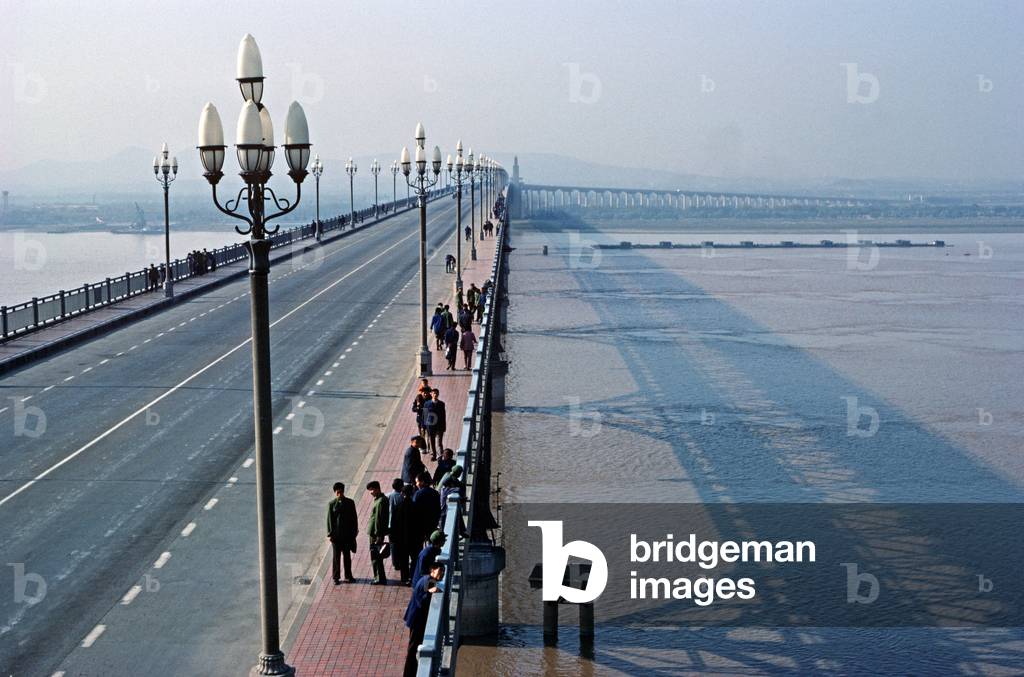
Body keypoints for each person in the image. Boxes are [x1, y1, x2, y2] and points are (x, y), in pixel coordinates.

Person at [403, 563, 445, 677]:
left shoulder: (426, 578)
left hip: (414, 617)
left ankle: (411, 672)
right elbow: (424, 599)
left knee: (413, 647)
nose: (442, 574)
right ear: (432, 570)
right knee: (412, 649)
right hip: (417, 619)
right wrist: (432, 591)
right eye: (440, 571)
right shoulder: (430, 581)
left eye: (443, 572)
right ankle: (409, 674)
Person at [326, 482, 358, 584]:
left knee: (347, 556)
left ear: (343, 491)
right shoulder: (332, 504)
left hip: (347, 536)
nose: (339, 494)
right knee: (336, 557)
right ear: (335, 493)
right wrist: (330, 534)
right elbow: (329, 520)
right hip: (336, 537)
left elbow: (354, 518)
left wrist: (354, 531)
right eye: (337, 492)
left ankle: (348, 575)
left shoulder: (350, 502)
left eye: (341, 492)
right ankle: (336, 577)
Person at [390, 485, 416, 584]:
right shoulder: (415, 506)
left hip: (401, 539)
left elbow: (394, 524)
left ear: (402, 493)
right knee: (414, 558)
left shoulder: (398, 507)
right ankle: (413, 576)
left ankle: (404, 579)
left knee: (404, 560)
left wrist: (393, 538)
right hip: (413, 538)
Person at [366, 481, 389, 585]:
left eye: (372, 489)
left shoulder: (380, 501)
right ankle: (380, 576)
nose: (371, 492)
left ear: (377, 489)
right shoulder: (380, 499)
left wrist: (379, 535)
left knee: (375, 556)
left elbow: (379, 520)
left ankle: (378, 578)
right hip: (375, 533)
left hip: (375, 534)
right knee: (377, 556)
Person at [413, 472, 441, 544]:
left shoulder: (417, 494)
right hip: (432, 523)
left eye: (417, 482)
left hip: (421, 524)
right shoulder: (435, 493)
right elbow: (438, 509)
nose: (416, 484)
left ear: (422, 482)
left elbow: (414, 509)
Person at [421, 389, 447, 460]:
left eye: (436, 393)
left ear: (438, 394)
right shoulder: (427, 403)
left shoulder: (442, 404)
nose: (435, 395)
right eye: (434, 393)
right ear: (431, 394)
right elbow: (424, 415)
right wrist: (423, 426)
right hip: (430, 426)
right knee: (431, 441)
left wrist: (444, 426)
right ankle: (434, 455)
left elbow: (443, 415)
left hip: (439, 426)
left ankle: (440, 455)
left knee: (439, 442)